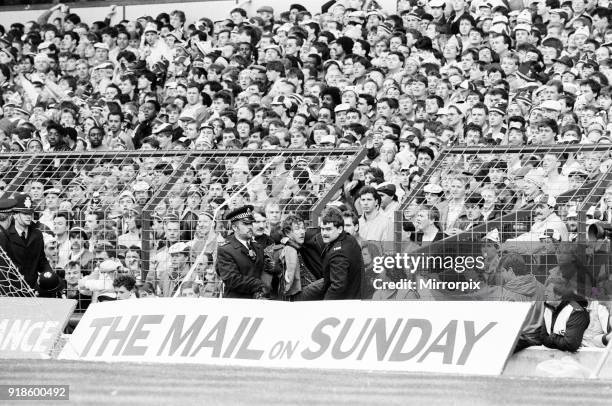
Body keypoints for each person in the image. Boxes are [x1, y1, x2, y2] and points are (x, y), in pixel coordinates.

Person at [301, 208, 363, 300]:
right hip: (352, 292)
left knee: (302, 296)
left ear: (340, 229)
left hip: (346, 299)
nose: (324, 233)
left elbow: (337, 287)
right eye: (322, 229)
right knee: (305, 293)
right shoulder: (348, 238)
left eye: (328, 229)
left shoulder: (339, 254)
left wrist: (326, 305)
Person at [0, 194, 52, 290]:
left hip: (33, 288)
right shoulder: (4, 235)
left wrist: (49, 273)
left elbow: (41, 260)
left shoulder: (37, 234)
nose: (29, 216)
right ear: (14, 215)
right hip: (11, 290)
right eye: (25, 213)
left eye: (30, 213)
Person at [215, 205, 266, 299]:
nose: (250, 227)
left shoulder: (258, 247)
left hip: (258, 300)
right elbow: (232, 280)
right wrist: (259, 285)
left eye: (251, 223)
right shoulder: (226, 249)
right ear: (234, 227)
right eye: (246, 224)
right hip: (237, 302)